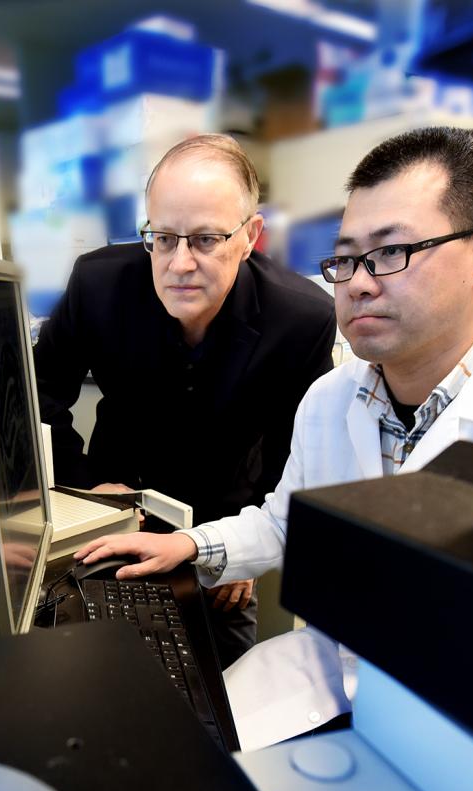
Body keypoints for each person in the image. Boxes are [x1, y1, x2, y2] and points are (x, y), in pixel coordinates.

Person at [76, 126, 473, 750]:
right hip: (334, 686)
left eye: (391, 253)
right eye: (346, 259)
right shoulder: (333, 400)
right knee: (176, 744)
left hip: (469, 733)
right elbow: (289, 522)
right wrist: (190, 548)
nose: (359, 284)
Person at [33, 133, 336, 667]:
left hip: (222, 524)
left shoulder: (300, 319)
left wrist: (241, 550)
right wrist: (85, 485)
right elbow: (38, 398)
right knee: (89, 675)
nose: (178, 263)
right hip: (113, 514)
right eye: (163, 238)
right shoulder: (98, 284)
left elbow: (296, 454)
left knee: (218, 700)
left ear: (249, 236)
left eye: (204, 240)